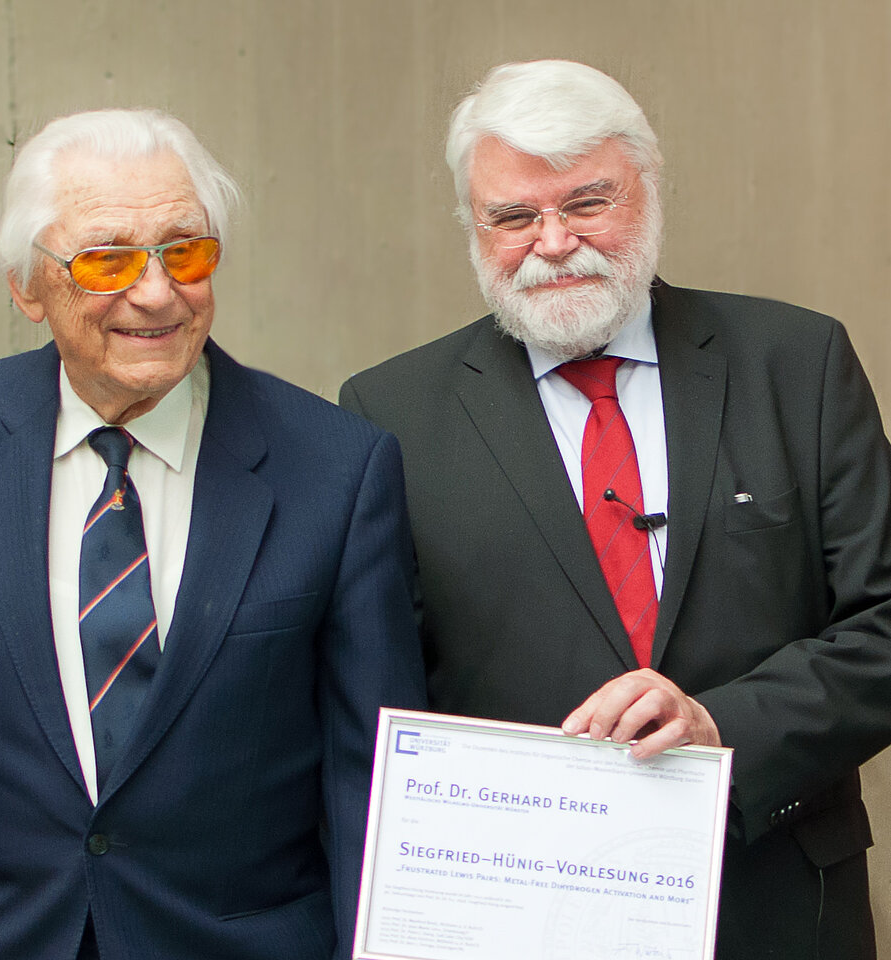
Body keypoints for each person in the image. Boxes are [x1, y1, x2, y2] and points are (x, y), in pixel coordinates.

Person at [339, 59, 891, 959]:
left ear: (649, 189)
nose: (553, 242)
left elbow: (883, 625)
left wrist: (722, 728)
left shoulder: (796, 363)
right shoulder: (389, 413)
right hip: (517, 916)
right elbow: (375, 687)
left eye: (587, 203)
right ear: (472, 226)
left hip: (774, 899)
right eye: (512, 217)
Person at [0, 108, 426, 960]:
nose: (157, 292)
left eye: (184, 251)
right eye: (107, 259)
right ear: (27, 287)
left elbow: (373, 787)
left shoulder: (338, 469)